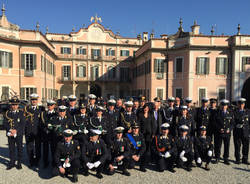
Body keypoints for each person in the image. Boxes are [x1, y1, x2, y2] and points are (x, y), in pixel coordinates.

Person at [3, 97, 25, 170]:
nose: (14, 106)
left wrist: (16, 130)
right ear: (11, 105)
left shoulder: (21, 113)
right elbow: (5, 123)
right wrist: (10, 130)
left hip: (18, 134)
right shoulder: (7, 113)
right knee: (11, 149)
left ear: (18, 105)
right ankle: (12, 162)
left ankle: (19, 163)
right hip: (10, 134)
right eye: (13, 104)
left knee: (19, 148)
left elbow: (22, 124)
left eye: (16, 105)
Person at [24, 93, 44, 167]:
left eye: (35, 100)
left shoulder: (41, 109)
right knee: (29, 147)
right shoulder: (26, 109)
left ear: (37, 100)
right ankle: (31, 161)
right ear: (30, 100)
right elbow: (24, 121)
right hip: (29, 131)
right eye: (32, 100)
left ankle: (37, 161)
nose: (34, 101)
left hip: (38, 131)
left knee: (38, 147)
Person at [214, 99, 234, 165]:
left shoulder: (230, 113)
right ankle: (217, 157)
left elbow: (232, 123)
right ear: (220, 106)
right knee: (218, 145)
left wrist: (230, 129)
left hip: (227, 133)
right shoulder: (217, 113)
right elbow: (214, 122)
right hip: (219, 132)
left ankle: (226, 158)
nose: (223, 107)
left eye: (225, 105)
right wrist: (219, 129)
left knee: (226, 146)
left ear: (227, 106)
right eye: (222, 105)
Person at [40, 99, 58, 168]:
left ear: (54, 106)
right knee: (45, 149)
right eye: (48, 105)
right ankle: (45, 162)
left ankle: (54, 162)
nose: (49, 106)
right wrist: (45, 129)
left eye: (51, 105)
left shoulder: (56, 114)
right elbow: (41, 124)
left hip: (53, 134)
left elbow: (57, 123)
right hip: (46, 133)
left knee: (54, 149)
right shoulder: (43, 114)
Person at [233, 98, 250, 165]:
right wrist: (236, 125)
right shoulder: (234, 112)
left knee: (246, 146)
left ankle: (245, 159)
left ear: (244, 104)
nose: (241, 105)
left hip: (246, 132)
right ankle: (237, 159)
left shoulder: (248, 111)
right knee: (237, 146)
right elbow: (232, 121)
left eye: (242, 104)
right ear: (237, 104)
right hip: (237, 131)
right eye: (239, 104)